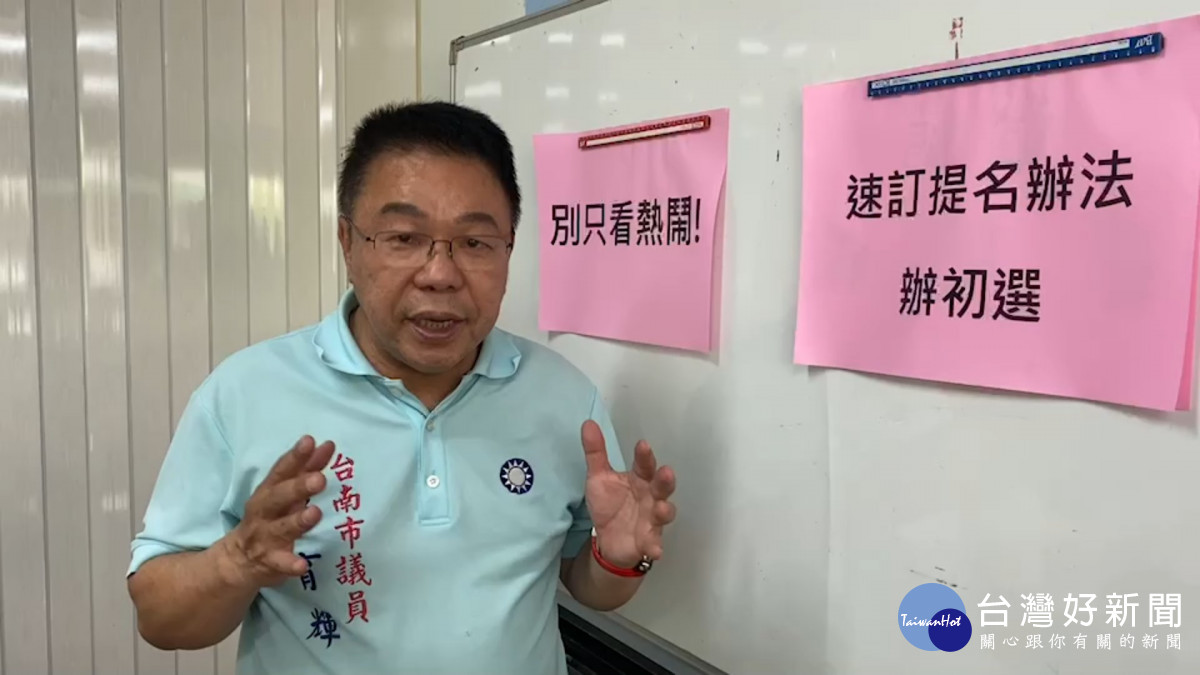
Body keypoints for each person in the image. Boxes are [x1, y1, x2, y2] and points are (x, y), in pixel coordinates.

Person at [126, 101, 677, 675]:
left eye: (475, 242)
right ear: (348, 242)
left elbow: (587, 584)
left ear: (509, 248)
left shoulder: (565, 399)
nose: (440, 274)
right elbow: (160, 620)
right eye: (404, 237)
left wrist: (616, 560)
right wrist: (237, 560)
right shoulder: (244, 394)